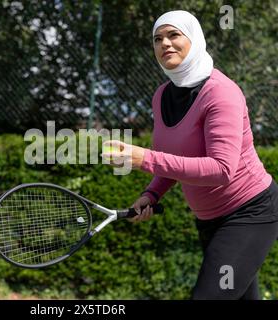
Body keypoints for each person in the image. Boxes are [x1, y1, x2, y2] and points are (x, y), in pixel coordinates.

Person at [102, 10, 278, 300]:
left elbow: (222, 170)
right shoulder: (162, 95)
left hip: (250, 213)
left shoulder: (221, 93)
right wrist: (152, 194)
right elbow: (173, 157)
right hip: (208, 219)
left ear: (194, 39)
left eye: (174, 35)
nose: (165, 44)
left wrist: (144, 159)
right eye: (158, 38)